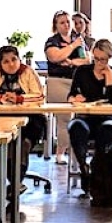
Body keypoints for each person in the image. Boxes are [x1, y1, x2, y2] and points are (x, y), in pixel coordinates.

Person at [66, 39, 112, 186]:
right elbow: (71, 94)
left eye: (103, 59)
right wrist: (74, 98)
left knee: (108, 130)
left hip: (106, 118)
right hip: (85, 116)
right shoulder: (82, 71)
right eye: (96, 58)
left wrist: (109, 80)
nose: (99, 62)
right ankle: (83, 167)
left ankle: (96, 166)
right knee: (76, 128)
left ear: (109, 57)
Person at [0, 45, 47, 176]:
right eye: (6, 61)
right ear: (0, 64)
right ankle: (2, 181)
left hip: (31, 118)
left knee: (23, 144)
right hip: (1, 118)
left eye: (14, 59)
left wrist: (19, 99)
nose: (11, 64)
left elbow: (39, 96)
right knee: (4, 143)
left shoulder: (28, 72)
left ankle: (16, 182)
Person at [44, 10, 89, 165]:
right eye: (62, 22)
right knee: (64, 119)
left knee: (78, 119)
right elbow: (55, 57)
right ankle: (61, 152)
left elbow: (86, 60)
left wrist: (70, 62)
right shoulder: (52, 41)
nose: (66, 25)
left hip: (76, 82)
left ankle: (76, 154)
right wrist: (71, 48)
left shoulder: (78, 39)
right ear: (56, 25)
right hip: (58, 81)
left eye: (68, 22)